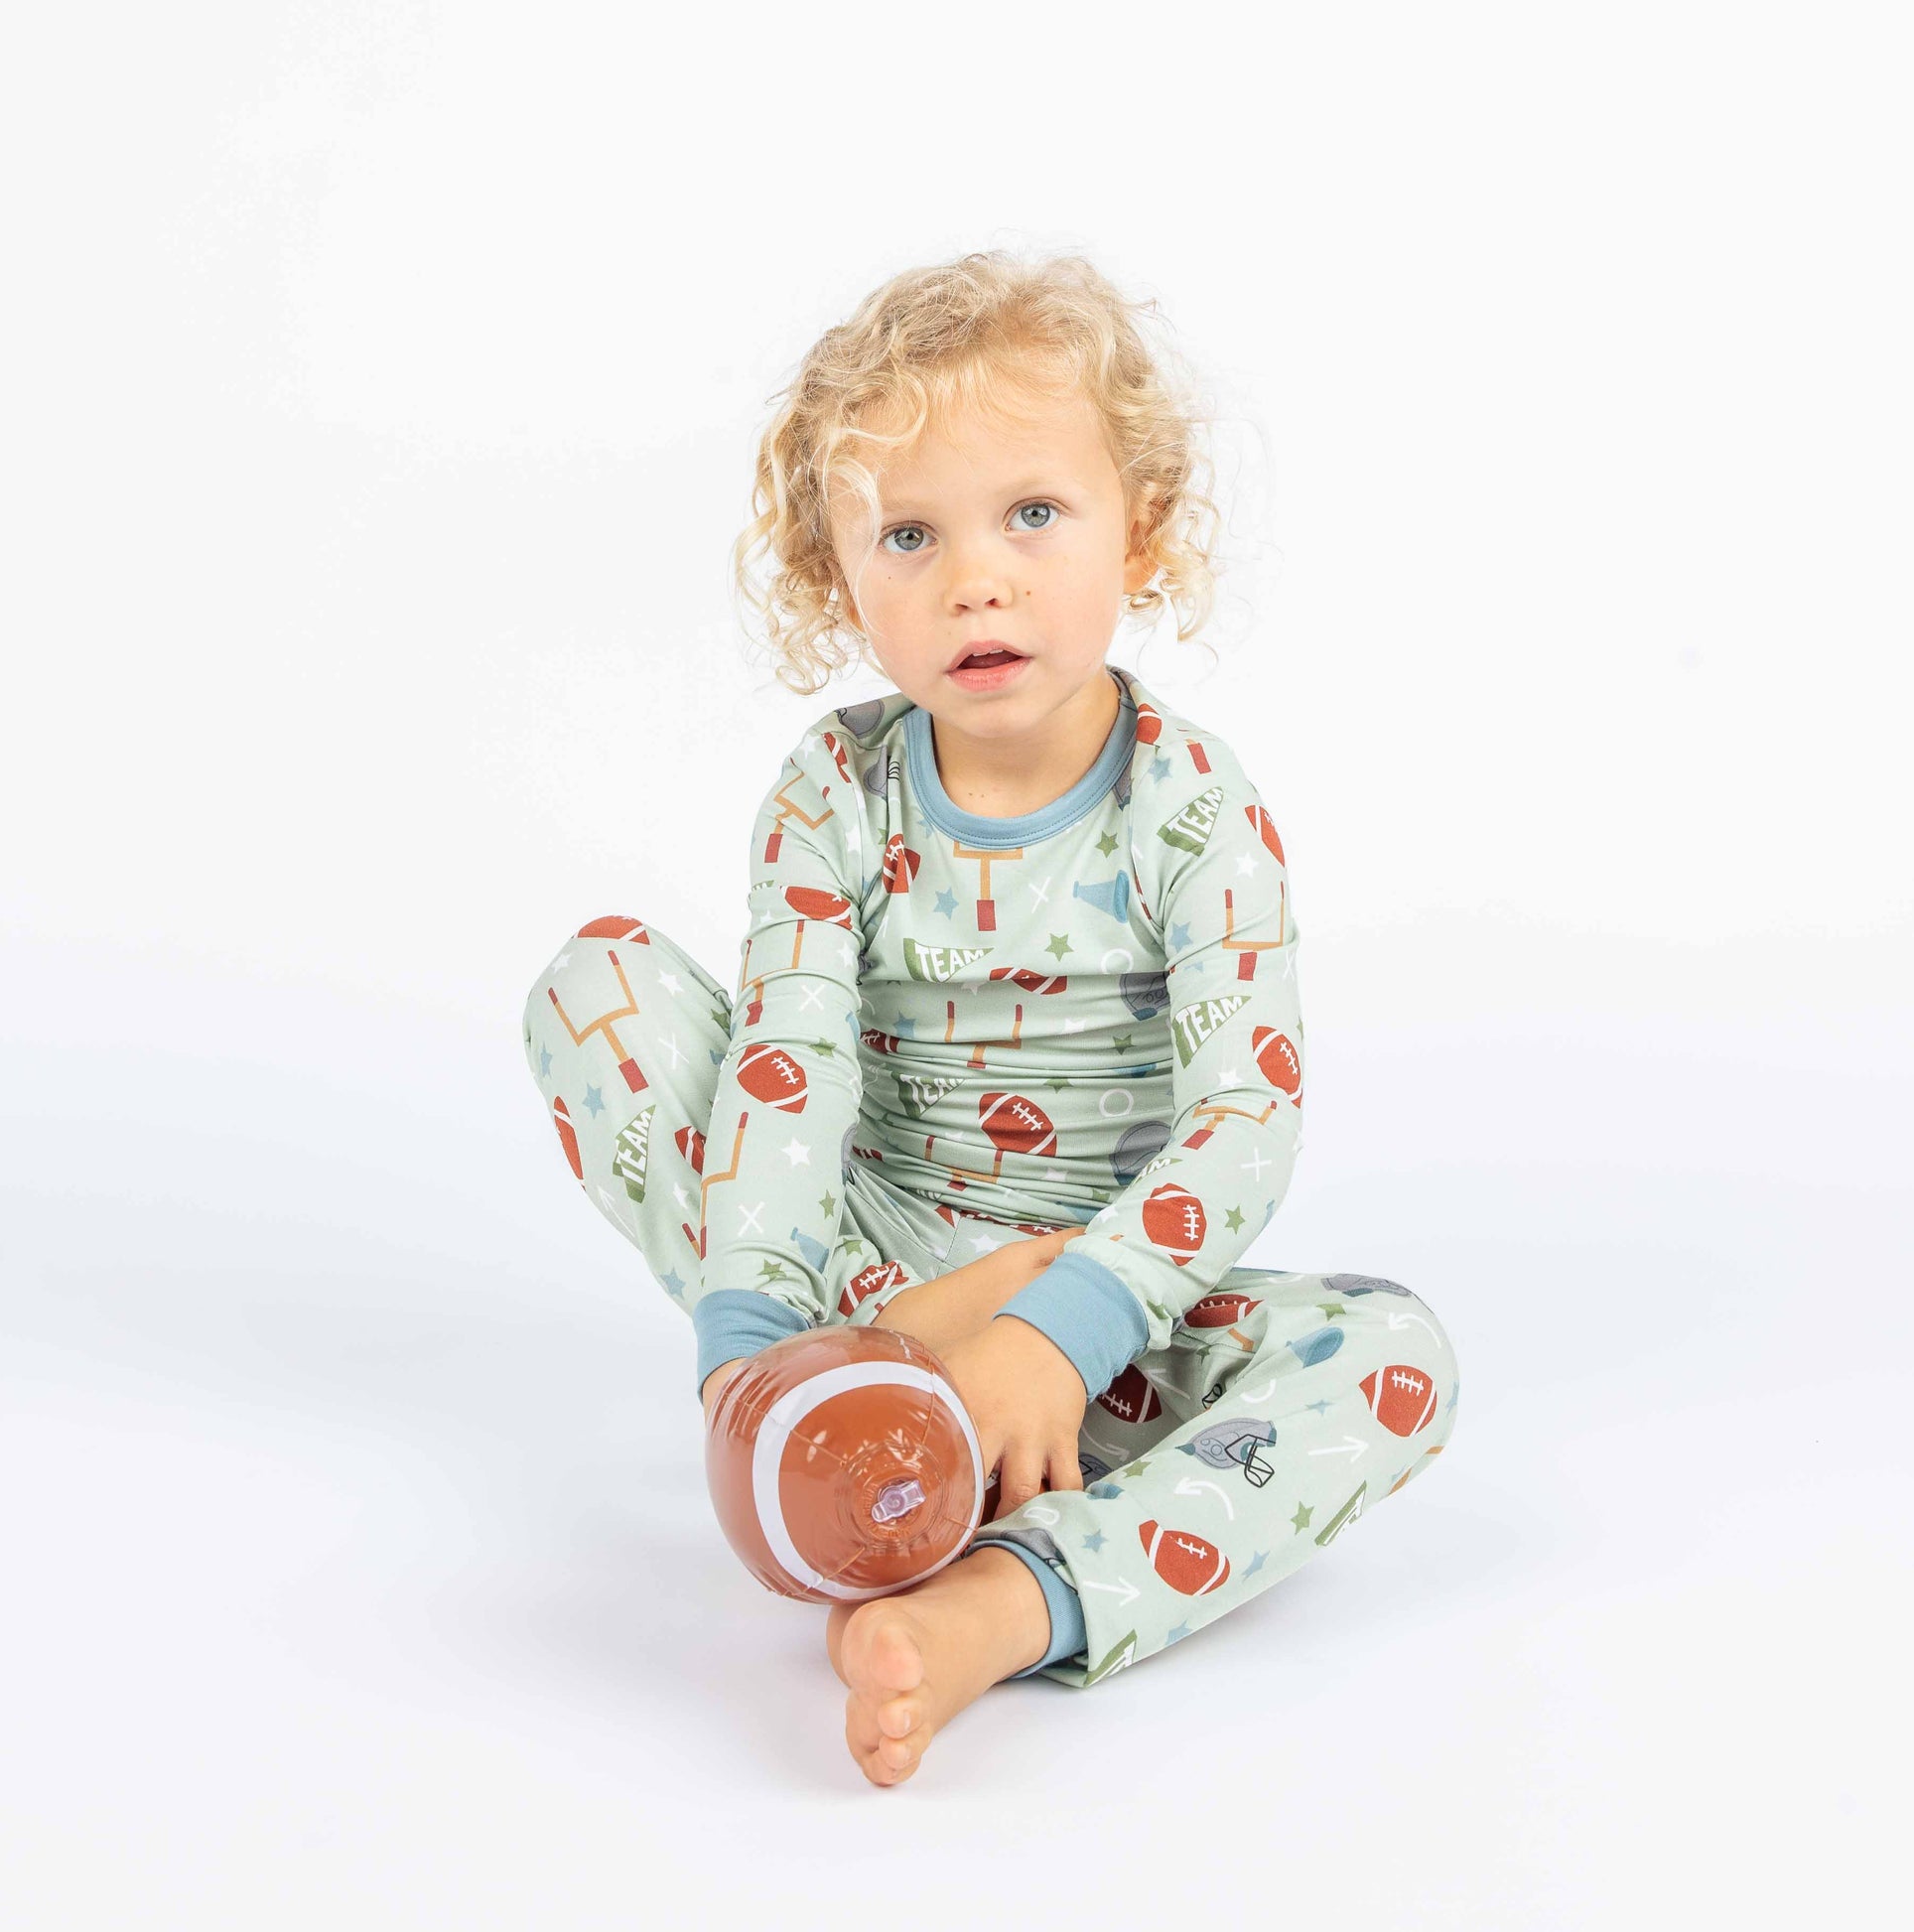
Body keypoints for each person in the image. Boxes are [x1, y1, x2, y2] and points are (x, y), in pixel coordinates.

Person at [521, 249, 1460, 1787]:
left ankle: (1009, 1595)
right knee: (597, 980)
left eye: (1032, 512)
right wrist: (748, 1345)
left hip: (1102, 1307)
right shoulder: (837, 789)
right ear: (842, 587)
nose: (977, 576)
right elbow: (786, 1064)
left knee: (1388, 1350)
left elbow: (1246, 1116)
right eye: (909, 534)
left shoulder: (1191, 807)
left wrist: (1064, 1322)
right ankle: (821, 1417)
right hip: (870, 1250)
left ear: (1137, 530)